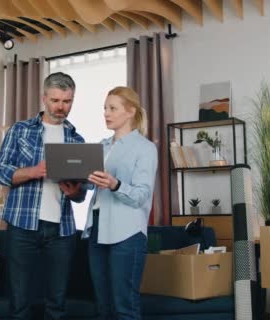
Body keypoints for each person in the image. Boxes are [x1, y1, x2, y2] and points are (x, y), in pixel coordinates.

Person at [0, 72, 87, 320]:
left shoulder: (77, 141)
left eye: (67, 101)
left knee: (57, 304)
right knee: (19, 302)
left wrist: (76, 192)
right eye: (55, 100)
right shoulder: (20, 130)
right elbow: (0, 171)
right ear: (44, 97)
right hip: (22, 226)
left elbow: (81, 196)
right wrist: (32, 171)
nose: (61, 107)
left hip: (62, 231)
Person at [83, 86, 158, 320]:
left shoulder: (145, 148)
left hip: (127, 233)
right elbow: (92, 187)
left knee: (124, 306)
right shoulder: (100, 146)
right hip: (97, 229)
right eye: (105, 108)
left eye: (112, 108)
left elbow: (141, 195)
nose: (106, 113)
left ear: (130, 111)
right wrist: (78, 183)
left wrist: (115, 184)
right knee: (103, 307)